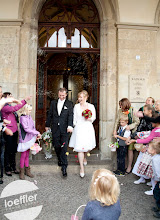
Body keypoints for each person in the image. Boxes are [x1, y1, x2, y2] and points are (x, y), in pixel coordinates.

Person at [129, 115, 160, 195]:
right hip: (155, 151)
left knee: (153, 172)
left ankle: (154, 189)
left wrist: (135, 140)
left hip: (153, 152)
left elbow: (148, 139)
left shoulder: (156, 131)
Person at [45, 88, 73, 177]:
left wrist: (70, 125)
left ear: (66, 95)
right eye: (60, 95)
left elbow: (70, 115)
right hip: (55, 128)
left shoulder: (69, 104)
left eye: (63, 95)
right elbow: (50, 114)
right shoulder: (53, 103)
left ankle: (64, 167)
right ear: (58, 94)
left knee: (64, 147)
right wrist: (47, 125)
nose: (61, 97)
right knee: (56, 145)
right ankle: (60, 159)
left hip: (65, 129)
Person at [1, 92, 30, 176]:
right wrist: (24, 101)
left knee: (13, 150)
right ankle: (7, 168)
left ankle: (13, 167)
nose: (12, 98)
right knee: (8, 150)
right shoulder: (4, 107)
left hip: (14, 131)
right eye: (10, 96)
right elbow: (14, 109)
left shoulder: (9, 106)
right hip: (8, 131)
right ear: (6, 98)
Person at [69, 90, 96, 178]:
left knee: (88, 147)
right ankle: (81, 168)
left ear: (86, 97)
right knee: (80, 148)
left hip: (88, 127)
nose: (80, 99)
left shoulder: (91, 106)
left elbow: (93, 117)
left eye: (81, 97)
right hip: (79, 128)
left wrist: (88, 118)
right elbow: (74, 118)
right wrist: (74, 126)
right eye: (79, 97)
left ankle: (85, 157)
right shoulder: (76, 106)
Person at [113, 98, 139, 174]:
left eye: (122, 105)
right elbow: (117, 121)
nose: (120, 107)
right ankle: (122, 167)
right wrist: (115, 130)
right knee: (122, 150)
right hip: (122, 132)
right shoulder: (120, 111)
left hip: (131, 132)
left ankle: (129, 167)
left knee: (130, 149)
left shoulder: (132, 110)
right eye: (120, 105)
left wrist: (130, 127)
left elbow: (137, 122)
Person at [131, 104, 155, 185]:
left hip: (151, 143)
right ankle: (142, 178)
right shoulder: (144, 119)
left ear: (150, 111)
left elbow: (152, 134)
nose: (143, 112)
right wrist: (135, 135)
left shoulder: (154, 120)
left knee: (150, 164)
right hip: (143, 140)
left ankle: (152, 181)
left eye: (144, 110)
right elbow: (139, 128)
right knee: (141, 160)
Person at [17, 104, 41, 180]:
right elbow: (26, 129)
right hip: (24, 139)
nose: (30, 111)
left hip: (30, 138)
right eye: (29, 110)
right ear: (25, 110)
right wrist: (36, 133)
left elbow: (32, 127)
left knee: (27, 154)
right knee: (23, 155)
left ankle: (27, 171)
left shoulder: (29, 116)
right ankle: (21, 171)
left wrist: (36, 133)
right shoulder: (22, 118)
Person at [148, 141, 160, 218]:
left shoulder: (156, 159)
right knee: (156, 192)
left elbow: (158, 171)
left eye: (149, 148)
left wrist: (158, 180)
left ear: (153, 151)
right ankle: (158, 207)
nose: (147, 148)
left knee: (158, 194)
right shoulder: (156, 157)